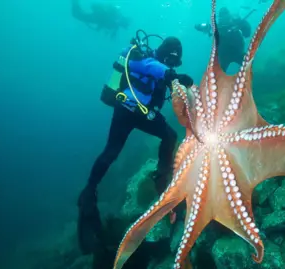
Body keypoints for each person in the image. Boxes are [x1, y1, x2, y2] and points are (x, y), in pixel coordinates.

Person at [77, 30, 194, 254]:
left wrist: (180, 82)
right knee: (113, 151)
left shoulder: (163, 71)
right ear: (163, 54)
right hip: (126, 110)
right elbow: (150, 67)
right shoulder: (140, 56)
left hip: (141, 114)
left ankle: (161, 179)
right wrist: (171, 73)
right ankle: (89, 193)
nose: (171, 64)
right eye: (169, 59)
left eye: (173, 62)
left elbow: (166, 81)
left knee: (167, 136)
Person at [194, 7, 252, 72]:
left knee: (249, 67)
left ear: (229, 16)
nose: (225, 19)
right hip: (224, 56)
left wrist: (243, 24)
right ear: (220, 18)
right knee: (217, 75)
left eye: (226, 16)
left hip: (237, 53)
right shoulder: (216, 26)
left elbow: (247, 34)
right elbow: (198, 26)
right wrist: (202, 27)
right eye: (222, 17)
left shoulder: (236, 23)